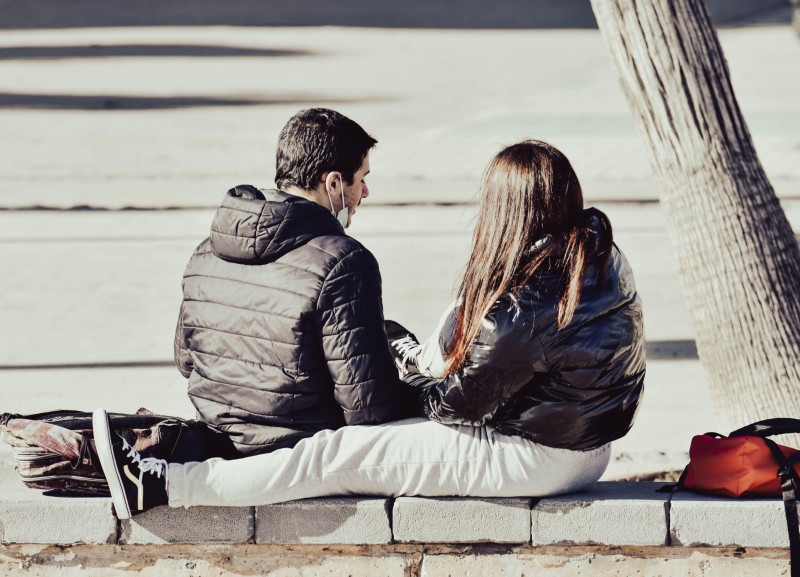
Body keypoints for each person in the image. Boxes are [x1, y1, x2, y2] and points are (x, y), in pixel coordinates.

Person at [93, 140, 645, 519]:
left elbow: (454, 408)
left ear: (507, 211)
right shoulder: (594, 256)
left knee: (337, 455)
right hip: (584, 444)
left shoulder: (522, 309)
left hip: (537, 457)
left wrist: (414, 375)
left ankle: (163, 486)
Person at [168, 107, 414, 462]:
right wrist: (419, 386)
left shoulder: (207, 251)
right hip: (300, 453)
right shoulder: (344, 260)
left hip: (216, 442)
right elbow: (368, 406)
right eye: (360, 179)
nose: (365, 191)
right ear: (332, 184)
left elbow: (187, 362)